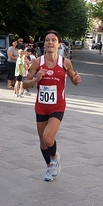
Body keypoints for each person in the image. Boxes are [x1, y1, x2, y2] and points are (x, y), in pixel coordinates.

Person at [23, 30, 81, 182]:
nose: (50, 42)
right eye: (47, 40)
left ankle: (55, 157)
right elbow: (24, 84)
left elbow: (74, 81)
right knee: (42, 141)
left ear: (59, 44)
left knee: (48, 138)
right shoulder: (37, 62)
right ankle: (49, 166)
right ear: (44, 43)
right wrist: (36, 79)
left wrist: (76, 79)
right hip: (41, 106)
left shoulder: (65, 63)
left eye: (53, 40)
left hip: (57, 106)